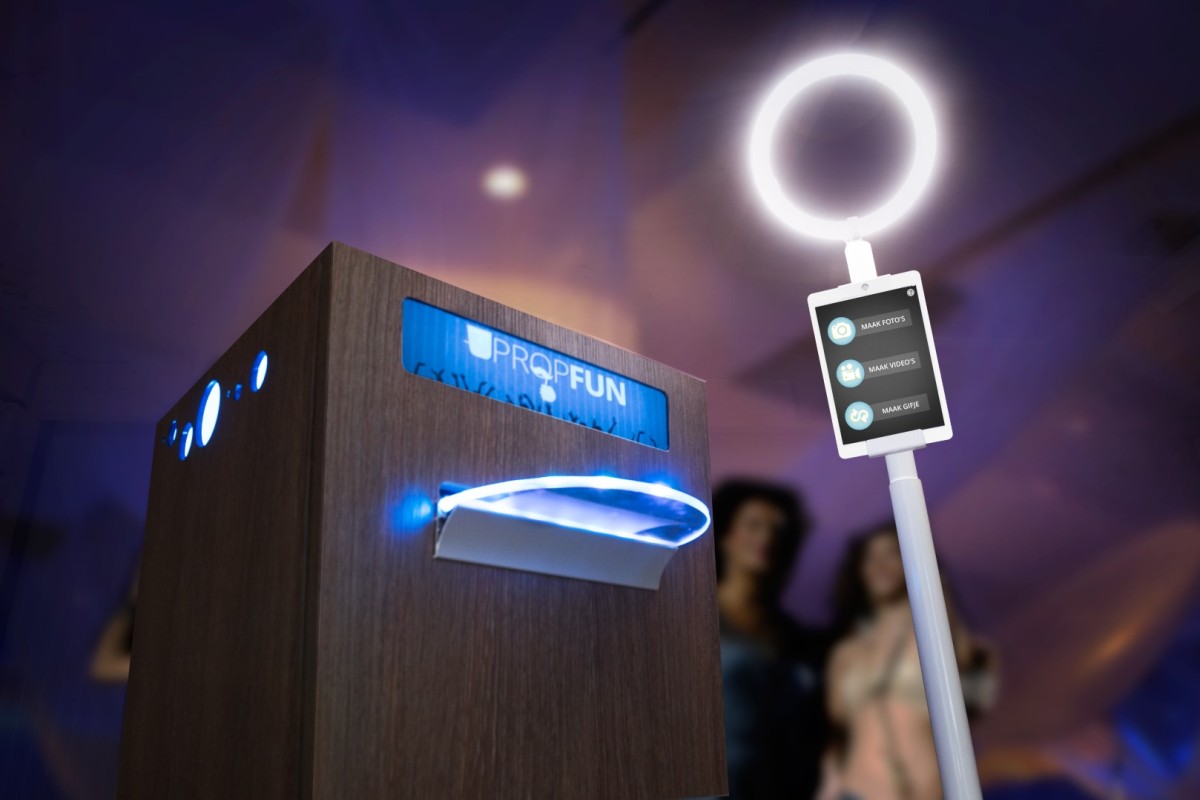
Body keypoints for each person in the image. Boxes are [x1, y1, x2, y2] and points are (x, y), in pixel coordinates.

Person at [820, 524, 994, 800]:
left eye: (892, 553)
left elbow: (967, 672)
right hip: (854, 790)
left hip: (924, 788)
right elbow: (838, 738)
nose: (880, 564)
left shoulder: (934, 634)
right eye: (870, 556)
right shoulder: (845, 653)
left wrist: (935, 589)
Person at [713, 479, 831, 799]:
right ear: (725, 535)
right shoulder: (693, 617)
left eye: (778, 529)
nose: (767, 537)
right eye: (753, 525)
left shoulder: (792, 635)